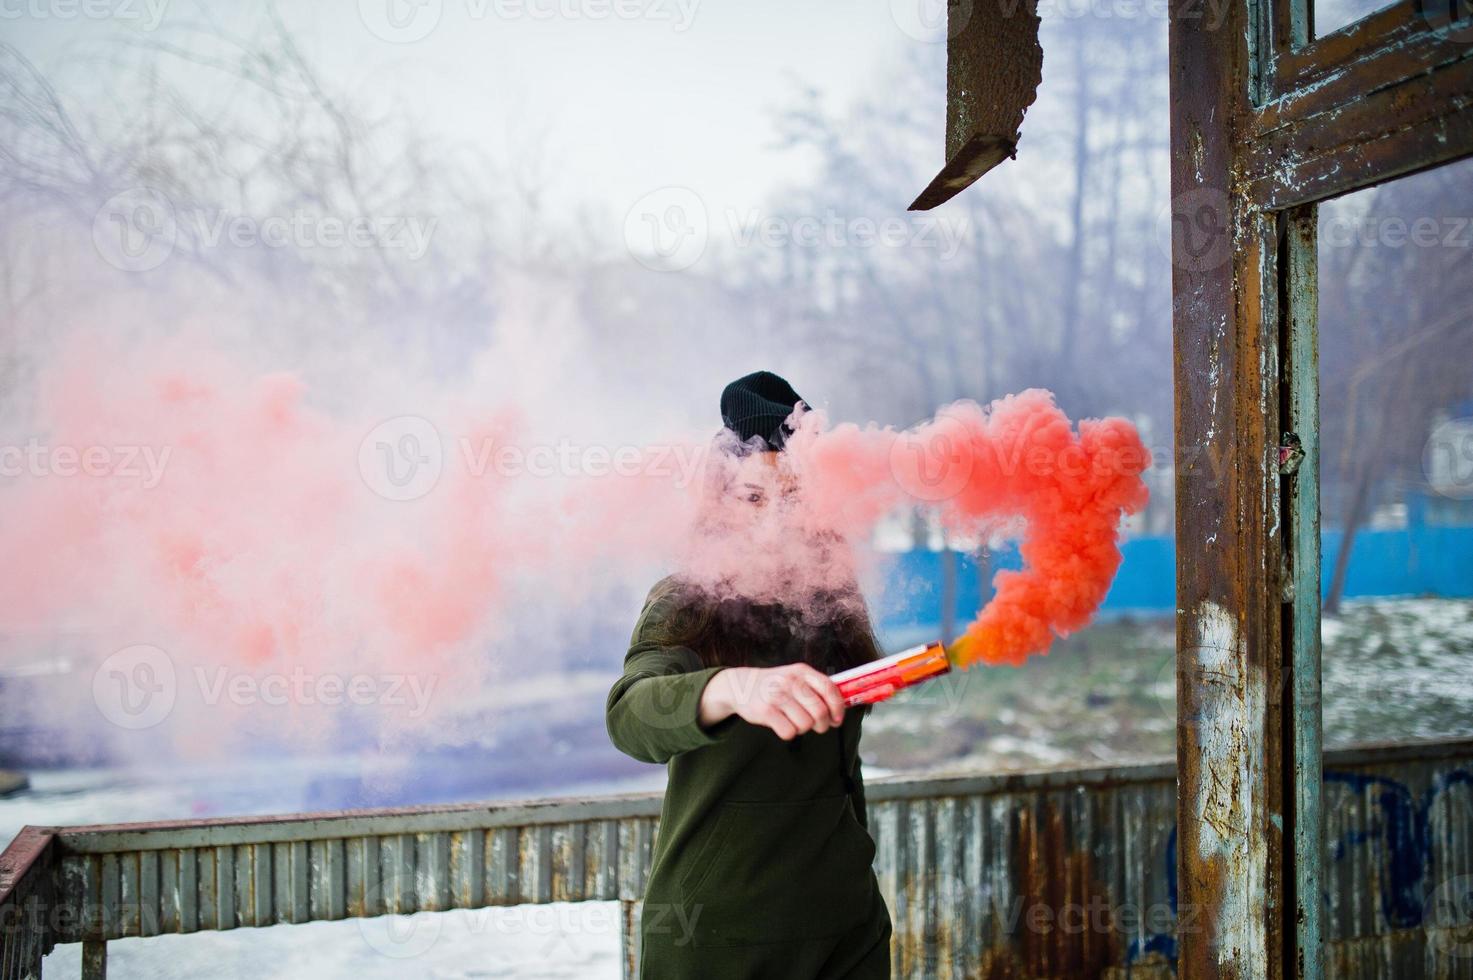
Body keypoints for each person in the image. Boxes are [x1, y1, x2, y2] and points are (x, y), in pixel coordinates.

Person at [605, 371, 894, 979]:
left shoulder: (836, 595)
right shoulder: (688, 596)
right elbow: (630, 715)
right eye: (753, 498)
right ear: (720, 501)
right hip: (717, 938)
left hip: (847, 930)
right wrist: (731, 687)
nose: (774, 522)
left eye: (793, 497)